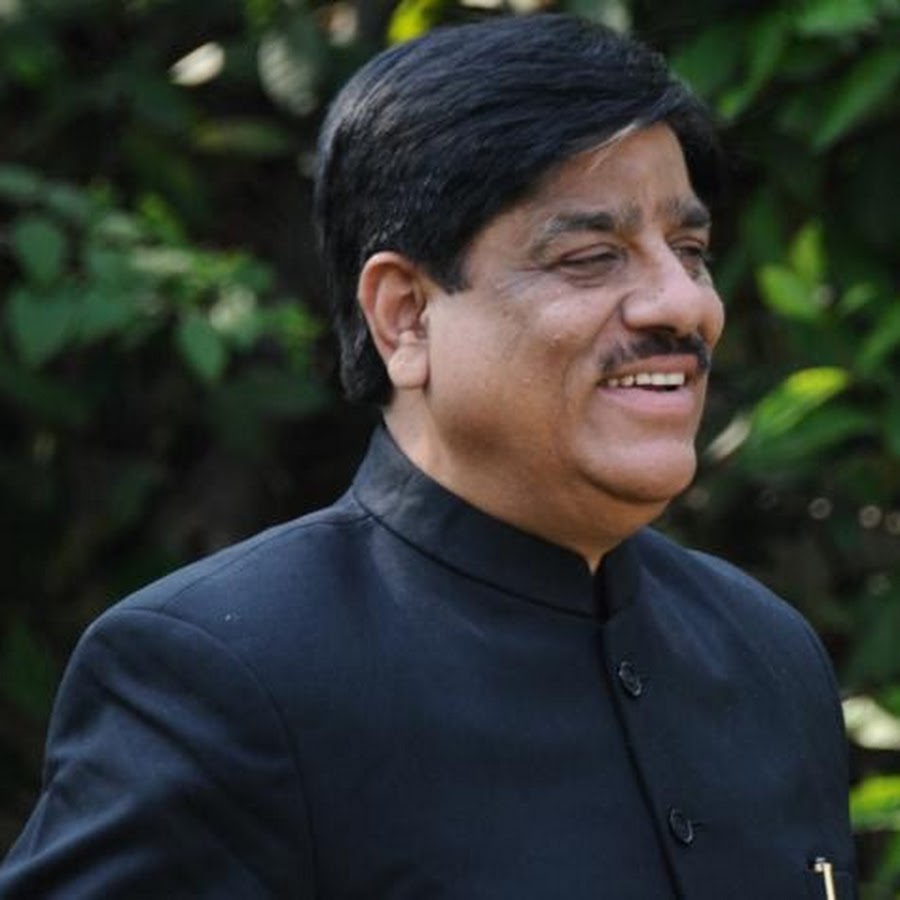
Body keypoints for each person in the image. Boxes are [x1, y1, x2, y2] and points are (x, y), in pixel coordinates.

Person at [0, 13, 854, 899]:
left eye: (689, 251)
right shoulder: (225, 676)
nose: (684, 304)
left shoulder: (766, 653)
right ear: (405, 316)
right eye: (592, 256)